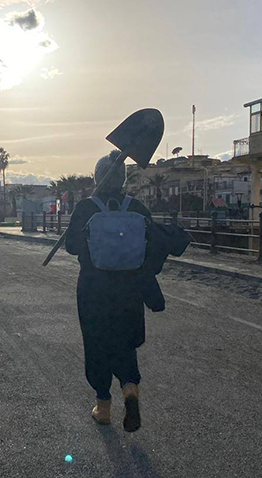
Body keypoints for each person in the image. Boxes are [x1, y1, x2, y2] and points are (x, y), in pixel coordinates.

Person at [65, 150, 154, 433]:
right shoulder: (136, 207)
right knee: (124, 341)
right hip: (129, 288)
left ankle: (103, 407)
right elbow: (151, 244)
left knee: (96, 343)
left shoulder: (86, 208)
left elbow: (71, 247)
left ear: (97, 177)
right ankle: (129, 387)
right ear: (122, 179)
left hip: (93, 288)